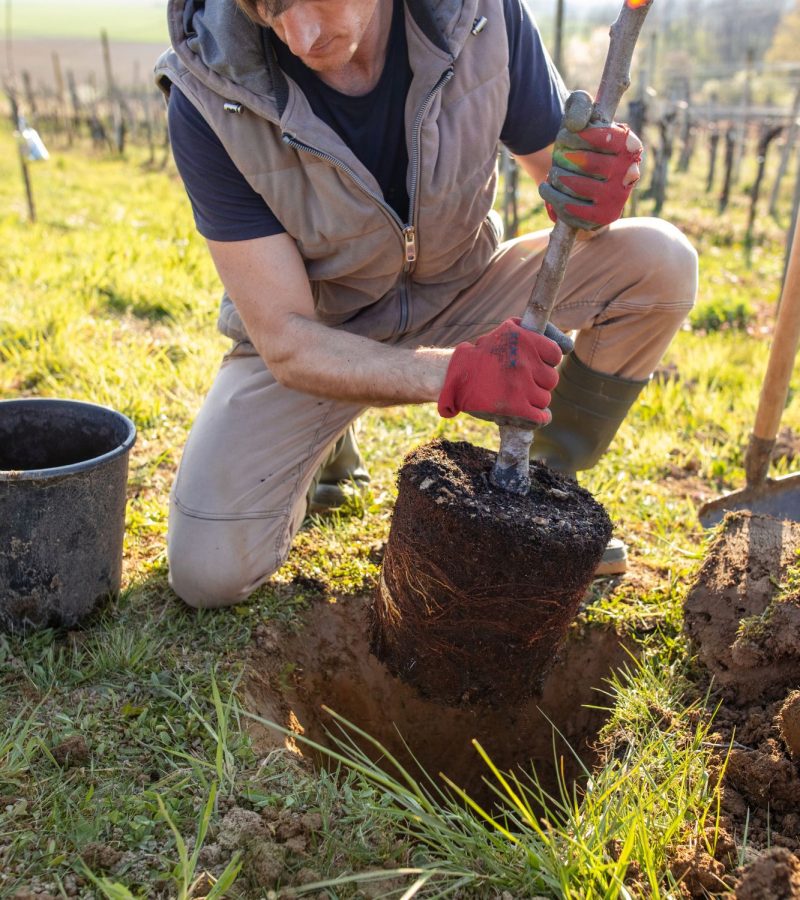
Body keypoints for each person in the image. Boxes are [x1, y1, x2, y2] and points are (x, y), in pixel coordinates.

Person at [156, 0, 698, 609]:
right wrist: (457, 374)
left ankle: (536, 499)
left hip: (465, 288)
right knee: (208, 574)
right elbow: (286, 337)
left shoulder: (477, 18)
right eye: (269, 11)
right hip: (322, 333)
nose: (300, 35)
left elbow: (568, 193)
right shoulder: (210, 92)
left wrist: (595, 187)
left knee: (661, 261)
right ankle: (326, 442)